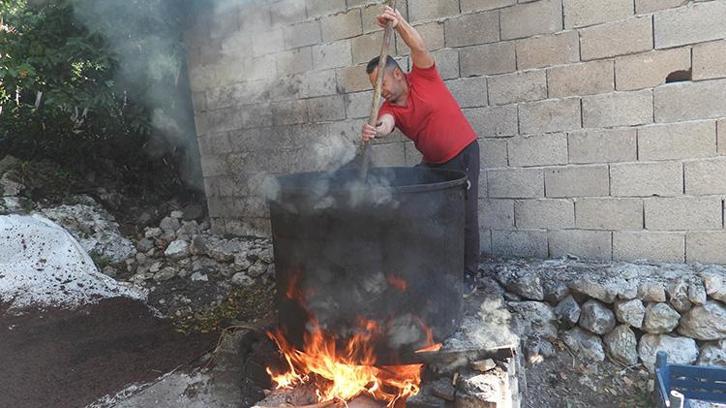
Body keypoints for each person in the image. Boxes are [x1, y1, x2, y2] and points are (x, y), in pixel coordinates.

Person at [361, 6, 481, 288]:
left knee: (465, 215)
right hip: (434, 163)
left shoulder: (424, 77)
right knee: (413, 204)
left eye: (381, 82)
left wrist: (398, 21)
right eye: (374, 87)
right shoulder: (388, 108)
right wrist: (374, 131)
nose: (380, 91)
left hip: (463, 153)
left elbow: (419, 46)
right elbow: (386, 124)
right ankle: (427, 265)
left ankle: (469, 275)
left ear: (398, 74)